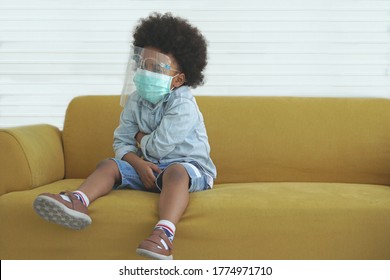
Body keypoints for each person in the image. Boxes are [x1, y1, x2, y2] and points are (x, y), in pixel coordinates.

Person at [32, 12, 217, 260]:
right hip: (148, 169)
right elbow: (121, 141)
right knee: (108, 164)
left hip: (189, 169)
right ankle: (78, 200)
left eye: (156, 67)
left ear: (178, 79)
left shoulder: (184, 105)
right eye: (143, 64)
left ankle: (164, 235)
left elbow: (158, 148)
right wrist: (138, 164)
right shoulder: (136, 100)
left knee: (175, 172)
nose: (145, 72)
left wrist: (139, 138)